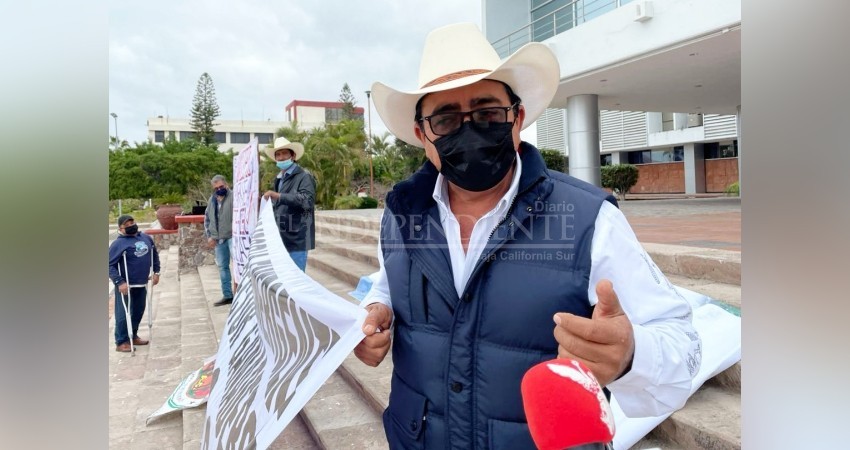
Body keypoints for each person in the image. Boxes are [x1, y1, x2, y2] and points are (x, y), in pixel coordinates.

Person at [355, 23, 702, 448]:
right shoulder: (401, 214)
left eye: (487, 113)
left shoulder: (589, 218)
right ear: (421, 134)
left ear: (517, 118)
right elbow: (387, 282)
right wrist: (376, 309)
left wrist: (631, 354)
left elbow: (681, 344)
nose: (469, 130)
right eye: (446, 119)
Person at [262, 136, 316, 272]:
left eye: (284, 153)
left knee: (296, 280)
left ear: (293, 155)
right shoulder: (279, 179)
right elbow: (280, 206)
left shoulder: (304, 176)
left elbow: (307, 201)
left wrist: (278, 196)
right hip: (281, 238)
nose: (281, 157)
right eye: (278, 154)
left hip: (298, 239)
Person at [108, 214, 160, 352]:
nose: (131, 225)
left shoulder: (145, 238)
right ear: (121, 228)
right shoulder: (118, 244)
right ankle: (121, 341)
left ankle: (134, 335)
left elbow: (153, 253)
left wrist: (156, 271)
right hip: (126, 285)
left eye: (132, 222)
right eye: (127, 224)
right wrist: (120, 282)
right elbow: (109, 265)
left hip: (141, 282)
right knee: (123, 313)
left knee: (138, 310)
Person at [204, 174, 235, 306]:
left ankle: (244, 294)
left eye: (221, 186)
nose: (219, 189)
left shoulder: (234, 197)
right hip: (218, 240)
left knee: (239, 266)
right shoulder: (212, 200)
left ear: (226, 184)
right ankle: (227, 295)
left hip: (233, 237)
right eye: (216, 188)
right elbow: (207, 219)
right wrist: (209, 236)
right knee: (223, 267)